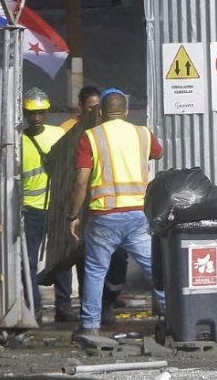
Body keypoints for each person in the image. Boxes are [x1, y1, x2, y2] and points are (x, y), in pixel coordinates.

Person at [67, 88, 166, 337]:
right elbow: (158, 152)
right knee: (156, 268)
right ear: (126, 112)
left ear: (100, 112)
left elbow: (81, 181)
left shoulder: (91, 137)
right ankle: (175, 315)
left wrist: (73, 215)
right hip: (138, 214)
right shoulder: (142, 133)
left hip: (105, 215)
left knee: (95, 271)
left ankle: (90, 326)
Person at [60, 84, 128, 325]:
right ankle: (89, 313)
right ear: (81, 108)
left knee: (116, 259)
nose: (95, 112)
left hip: (107, 205)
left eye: (98, 108)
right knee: (86, 260)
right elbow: (70, 173)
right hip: (88, 205)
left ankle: (107, 302)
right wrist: (72, 212)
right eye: (90, 108)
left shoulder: (107, 133)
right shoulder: (70, 130)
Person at [20, 87, 77, 323]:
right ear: (24, 113)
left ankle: (64, 307)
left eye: (41, 113)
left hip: (56, 208)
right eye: (31, 113)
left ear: (47, 112)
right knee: (29, 261)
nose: (36, 118)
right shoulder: (18, 140)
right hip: (30, 210)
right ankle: (35, 307)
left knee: (61, 259)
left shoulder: (57, 134)